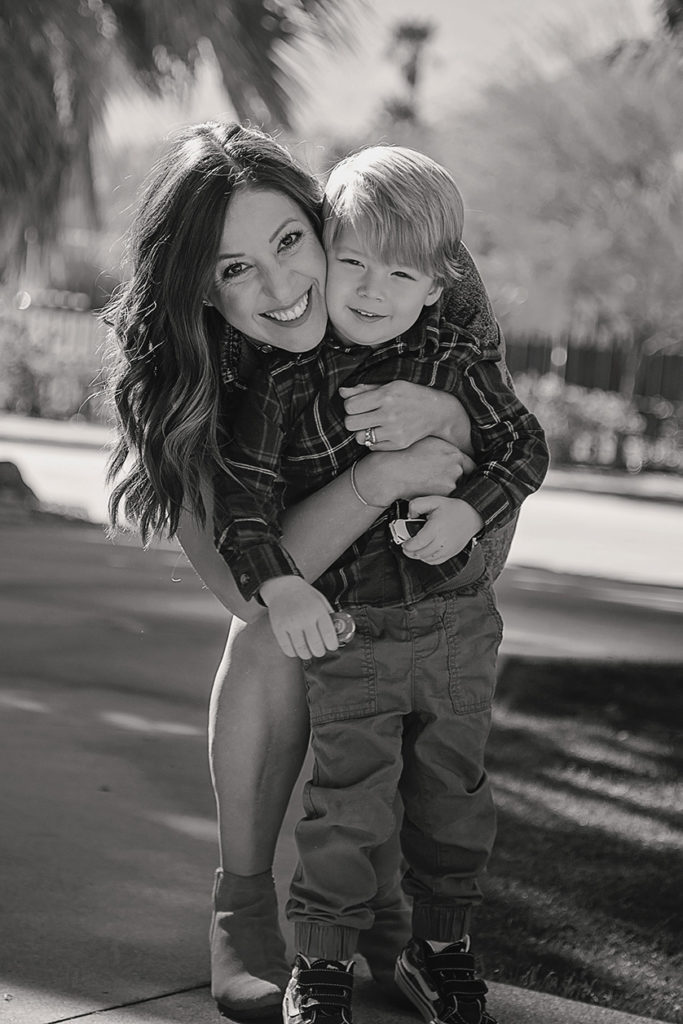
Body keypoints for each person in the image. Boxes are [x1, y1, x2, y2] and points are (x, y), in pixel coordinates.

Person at [105, 121, 517, 1020]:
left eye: (291, 243)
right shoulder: (188, 378)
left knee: (423, 682)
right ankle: (242, 905)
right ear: (199, 290)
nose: (283, 287)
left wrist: (442, 416)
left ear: (323, 220)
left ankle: (388, 918)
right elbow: (242, 590)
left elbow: (497, 458)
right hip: (280, 558)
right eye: (233, 267)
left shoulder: (401, 256)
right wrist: (377, 478)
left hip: (418, 554)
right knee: (267, 638)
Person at [210, 145, 549, 1024]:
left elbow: (524, 448)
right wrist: (281, 589)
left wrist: (468, 502)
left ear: (437, 284)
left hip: (456, 628)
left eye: (397, 272)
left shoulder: (455, 357)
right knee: (348, 805)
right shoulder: (280, 381)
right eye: (350, 260)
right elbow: (240, 515)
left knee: (451, 798)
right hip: (352, 634)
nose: (365, 287)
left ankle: (437, 950)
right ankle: (319, 963)